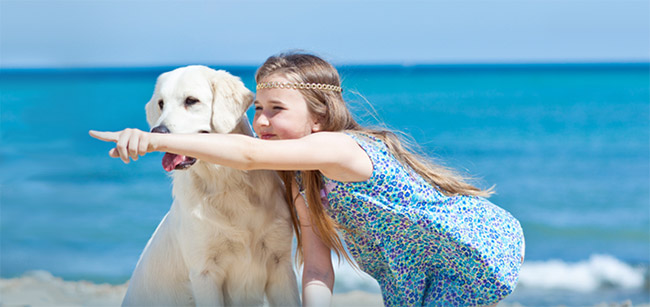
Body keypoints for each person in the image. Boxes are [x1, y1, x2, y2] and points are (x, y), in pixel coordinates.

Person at [90, 52, 525, 307]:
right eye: (257, 109)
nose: (259, 121)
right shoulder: (302, 182)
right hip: (415, 270)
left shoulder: (338, 147)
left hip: (464, 247)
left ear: (318, 117)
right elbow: (316, 267)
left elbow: (247, 153)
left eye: (275, 109)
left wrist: (150, 140)